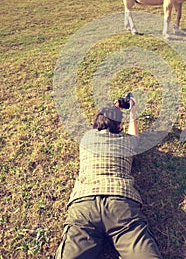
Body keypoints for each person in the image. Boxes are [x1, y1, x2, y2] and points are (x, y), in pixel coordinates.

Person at [55, 95, 162, 259]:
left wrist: (112, 109)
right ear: (119, 125)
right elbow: (135, 136)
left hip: (84, 205)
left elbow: (106, 122)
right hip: (121, 203)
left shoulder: (86, 138)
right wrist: (132, 112)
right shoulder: (126, 142)